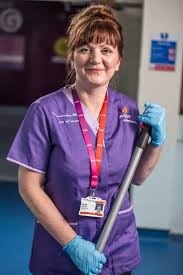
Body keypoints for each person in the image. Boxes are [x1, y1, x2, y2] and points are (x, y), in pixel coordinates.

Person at [7, 4, 166, 275]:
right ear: (71, 58)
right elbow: (29, 186)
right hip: (60, 248)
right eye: (85, 49)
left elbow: (137, 177)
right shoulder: (45, 111)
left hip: (117, 247)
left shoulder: (129, 112)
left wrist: (156, 142)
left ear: (118, 62)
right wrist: (72, 244)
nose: (96, 58)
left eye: (106, 50)